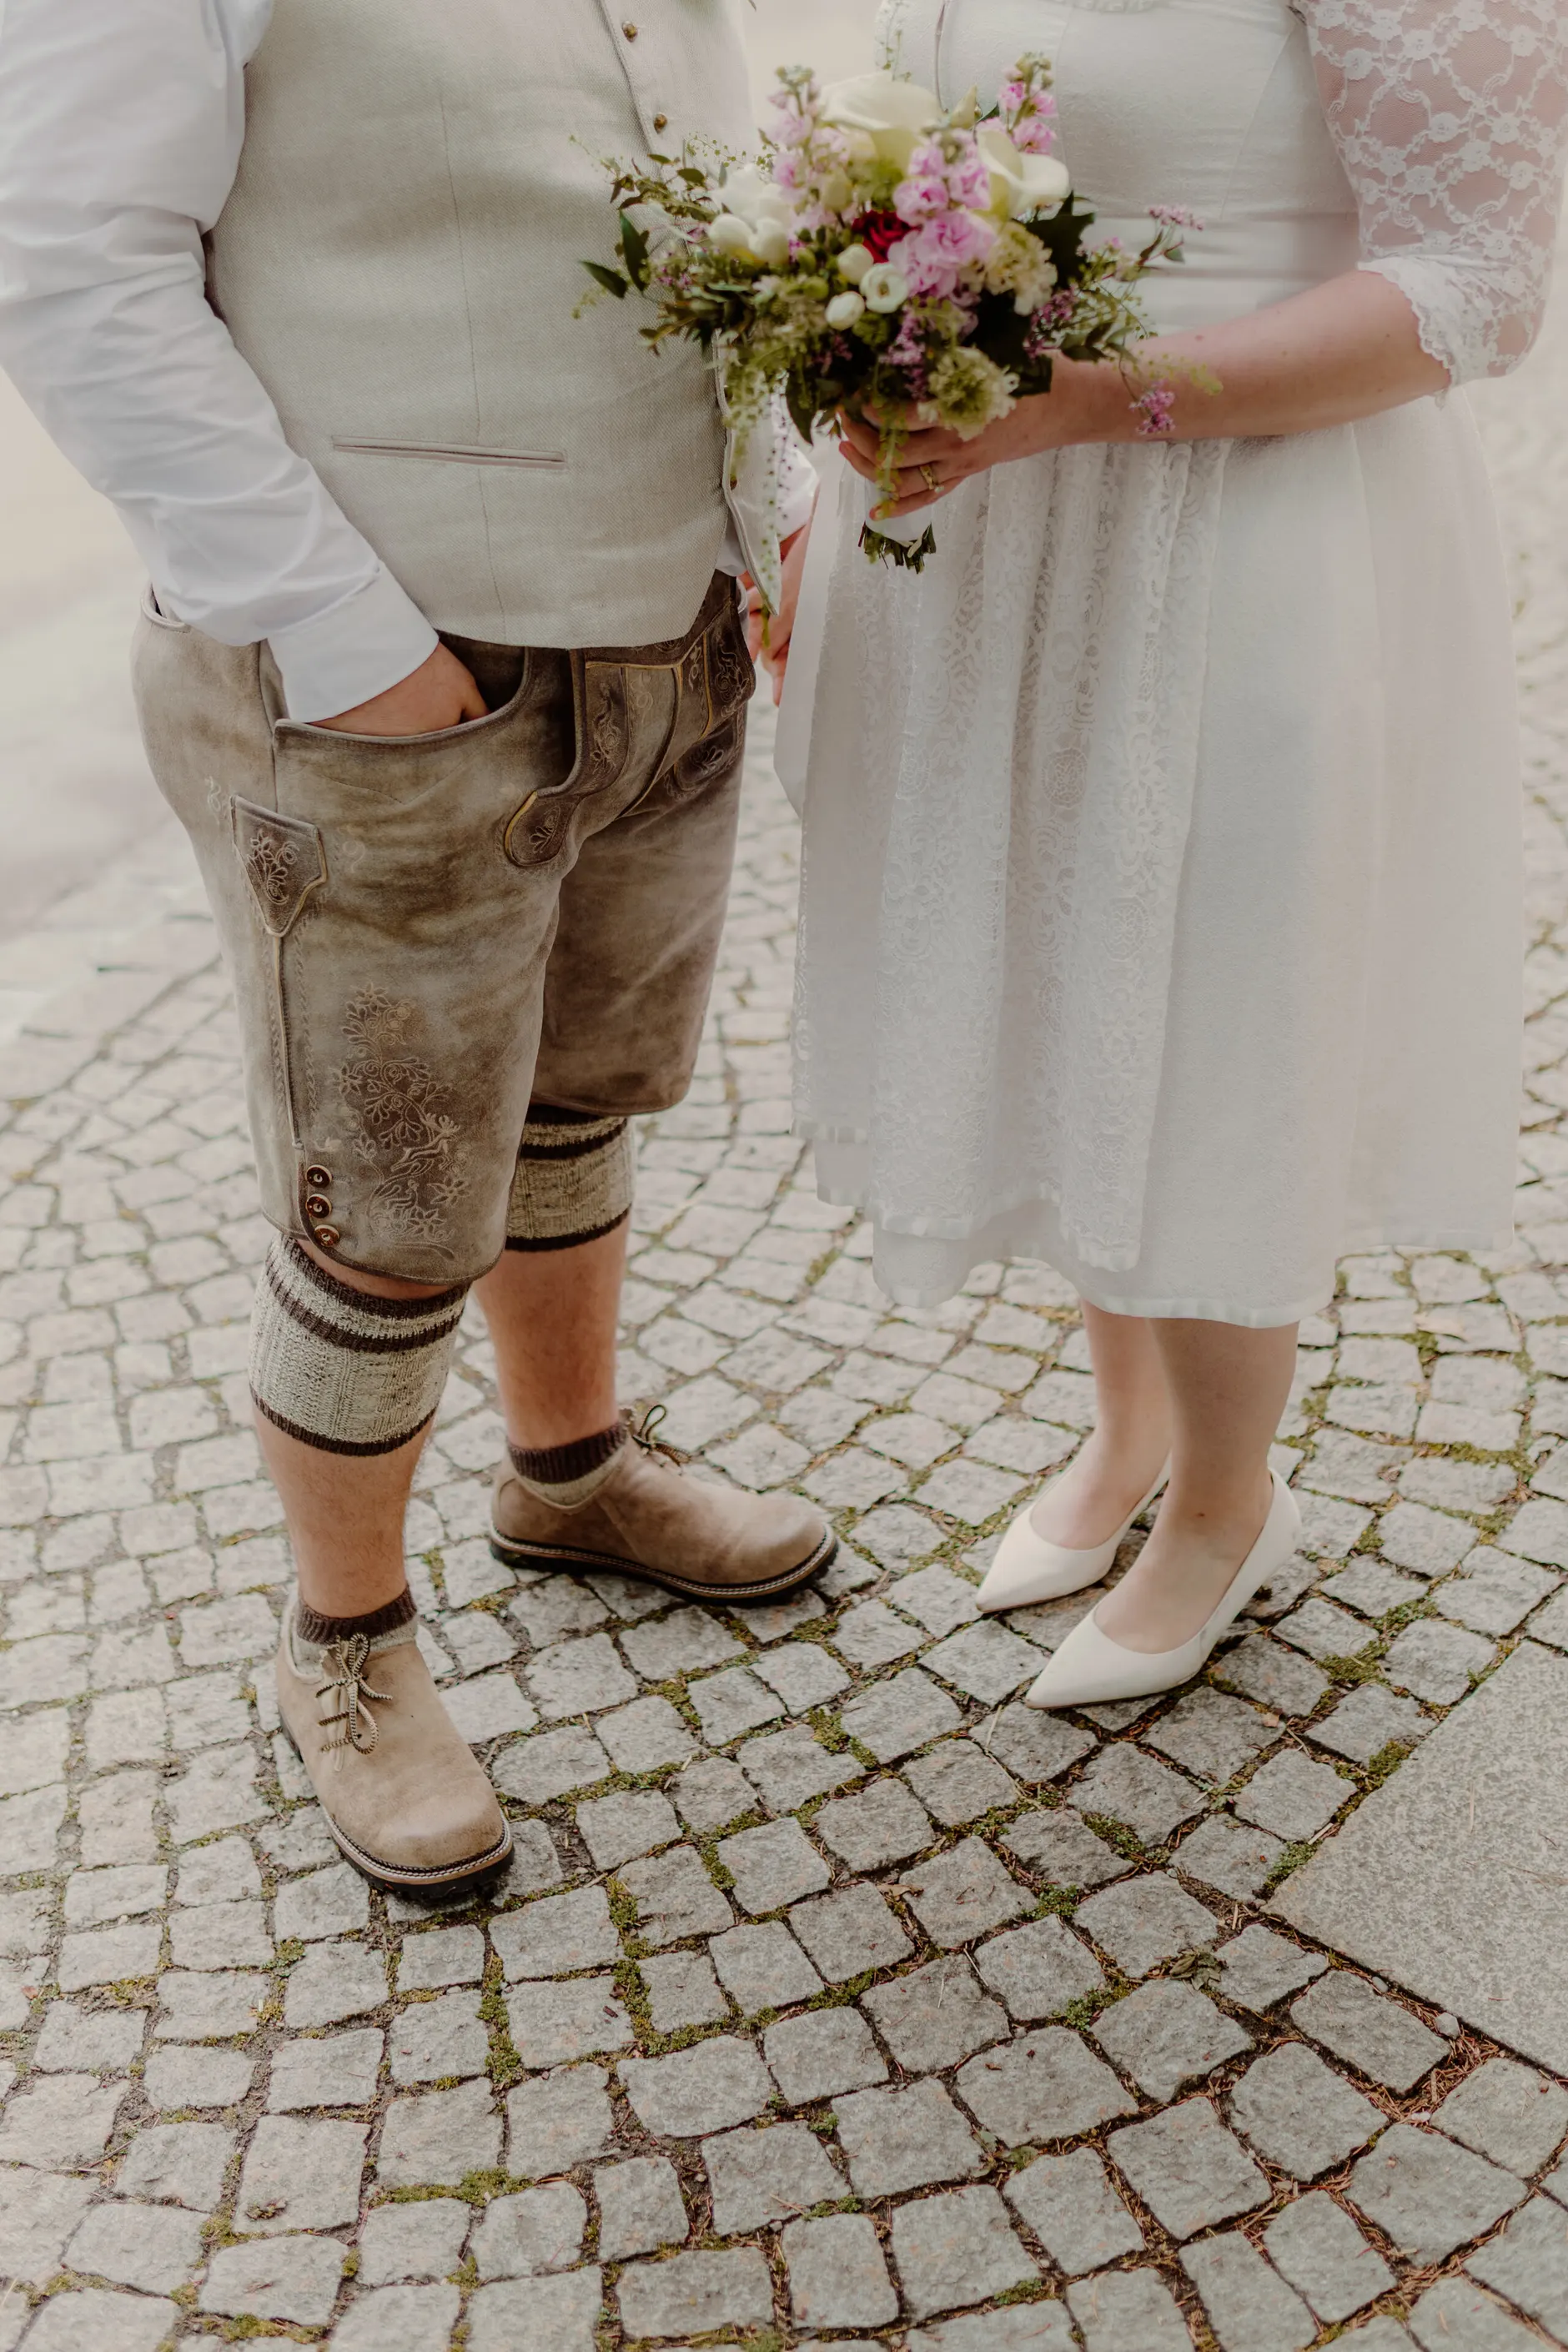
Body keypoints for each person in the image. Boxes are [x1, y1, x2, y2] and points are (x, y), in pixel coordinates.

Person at [0, 0, 833, 1898]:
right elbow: (71, 268)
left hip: (662, 639)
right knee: (379, 1198)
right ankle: (348, 1643)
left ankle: (570, 1476)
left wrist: (759, 517)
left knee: (580, 1099)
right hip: (386, 685)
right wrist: (351, 648)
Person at [764, 0, 1568, 1709]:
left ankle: (1226, 1502)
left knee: (1199, 993)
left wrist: (1091, 404)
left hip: (1240, 522)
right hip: (1000, 520)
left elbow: (1476, 284)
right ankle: (1124, 1433)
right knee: (1068, 978)